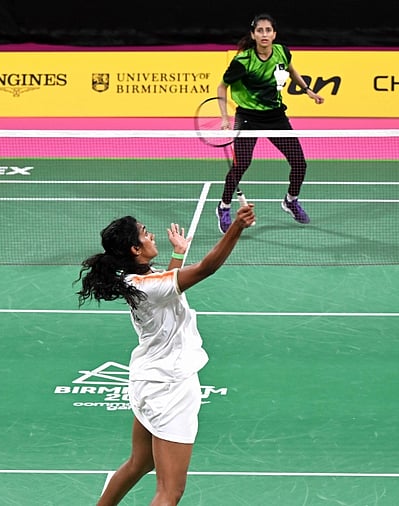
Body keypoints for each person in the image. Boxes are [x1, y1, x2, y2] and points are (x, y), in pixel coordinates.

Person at [76, 205, 255, 506]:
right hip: (170, 387)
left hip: (149, 380)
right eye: (145, 234)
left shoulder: (137, 278)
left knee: (140, 463)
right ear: (135, 248)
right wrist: (236, 227)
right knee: (170, 491)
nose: (152, 235)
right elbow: (206, 269)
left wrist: (178, 254)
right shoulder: (148, 286)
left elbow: (167, 286)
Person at [215, 13, 323, 234]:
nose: (264, 34)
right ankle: (224, 206)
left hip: (275, 117)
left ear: (274, 34)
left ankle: (290, 201)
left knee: (300, 163)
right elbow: (221, 87)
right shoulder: (243, 61)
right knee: (241, 165)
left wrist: (308, 91)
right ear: (253, 35)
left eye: (268, 30)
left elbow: (292, 71)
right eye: (260, 30)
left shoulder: (282, 51)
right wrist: (225, 117)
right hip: (248, 118)